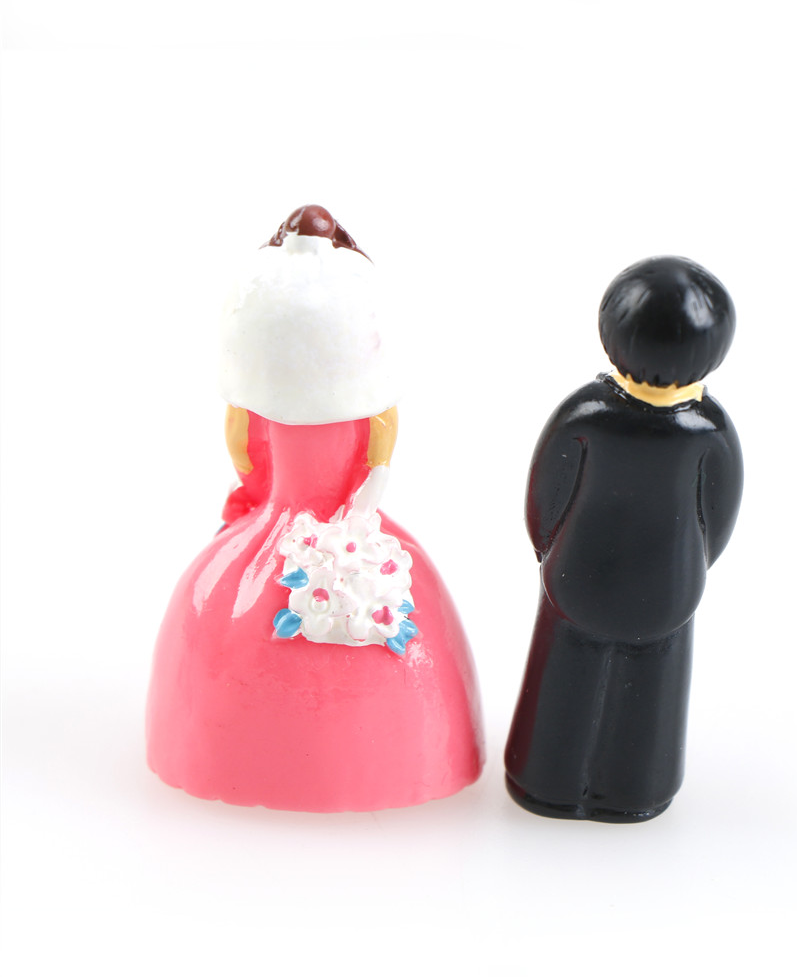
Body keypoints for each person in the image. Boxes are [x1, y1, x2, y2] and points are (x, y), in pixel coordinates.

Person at [147, 206, 484, 812]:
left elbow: (245, 455)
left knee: (226, 614)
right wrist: (361, 512)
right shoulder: (375, 405)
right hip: (353, 518)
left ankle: (238, 754)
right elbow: (378, 461)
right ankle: (392, 759)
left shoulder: (252, 396)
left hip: (287, 516)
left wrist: (253, 498)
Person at [505, 256, 743, 822]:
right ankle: (637, 788)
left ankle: (545, 778)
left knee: (564, 678)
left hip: (578, 575)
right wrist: (690, 566)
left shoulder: (586, 416)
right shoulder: (708, 431)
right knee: (652, 688)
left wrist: (549, 551)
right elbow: (719, 516)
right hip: (667, 587)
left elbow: (545, 497)